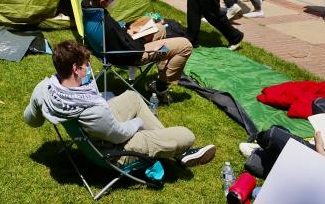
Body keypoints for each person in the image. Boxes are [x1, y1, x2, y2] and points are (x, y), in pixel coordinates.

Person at [23, 40, 215, 167]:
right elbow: (120, 134)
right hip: (112, 154)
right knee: (186, 135)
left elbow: (31, 120)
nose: (89, 68)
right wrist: (138, 123)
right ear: (75, 68)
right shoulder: (92, 110)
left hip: (97, 133)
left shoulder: (46, 88)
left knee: (131, 97)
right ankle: (180, 151)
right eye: (86, 65)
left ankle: (171, 147)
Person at [82, 0, 192, 95]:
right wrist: (143, 40)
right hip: (129, 56)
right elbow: (130, 50)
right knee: (186, 45)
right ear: (103, 2)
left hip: (119, 47)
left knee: (160, 28)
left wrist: (129, 31)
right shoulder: (106, 24)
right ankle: (160, 86)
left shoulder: (90, 11)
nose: (114, 1)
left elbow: (117, 35)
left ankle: (162, 68)